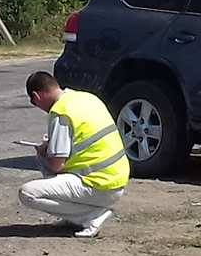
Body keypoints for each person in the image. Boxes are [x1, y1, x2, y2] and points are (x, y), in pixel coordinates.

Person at [18, 71, 129, 238]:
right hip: (116, 179)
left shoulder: (60, 112)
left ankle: (90, 216)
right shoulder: (85, 97)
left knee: (27, 193)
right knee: (51, 160)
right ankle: (72, 217)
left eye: (34, 103)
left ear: (37, 96)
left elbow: (56, 164)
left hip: (98, 185)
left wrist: (44, 151)